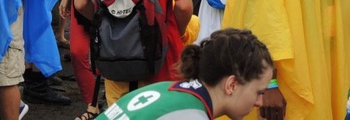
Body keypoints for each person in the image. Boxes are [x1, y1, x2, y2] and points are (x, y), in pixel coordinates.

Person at [98, 29, 274, 120]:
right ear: (232, 85)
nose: (260, 102)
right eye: (259, 92)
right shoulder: (190, 115)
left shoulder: (167, 89)